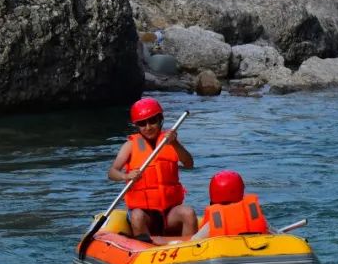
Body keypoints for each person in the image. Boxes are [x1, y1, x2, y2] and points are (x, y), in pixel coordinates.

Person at [108, 98, 197, 242]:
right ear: (137, 125)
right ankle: (145, 251)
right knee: (137, 216)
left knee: (188, 212)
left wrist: (175, 143)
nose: (148, 127)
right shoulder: (130, 145)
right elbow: (112, 172)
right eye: (142, 123)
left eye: (152, 121)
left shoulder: (170, 141)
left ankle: (190, 251)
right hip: (145, 214)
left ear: (160, 120)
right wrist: (126, 176)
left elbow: (189, 164)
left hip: (169, 212)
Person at [193, 170, 269, 239]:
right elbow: (276, 234)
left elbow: (193, 242)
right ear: (241, 192)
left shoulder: (212, 224)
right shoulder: (254, 214)